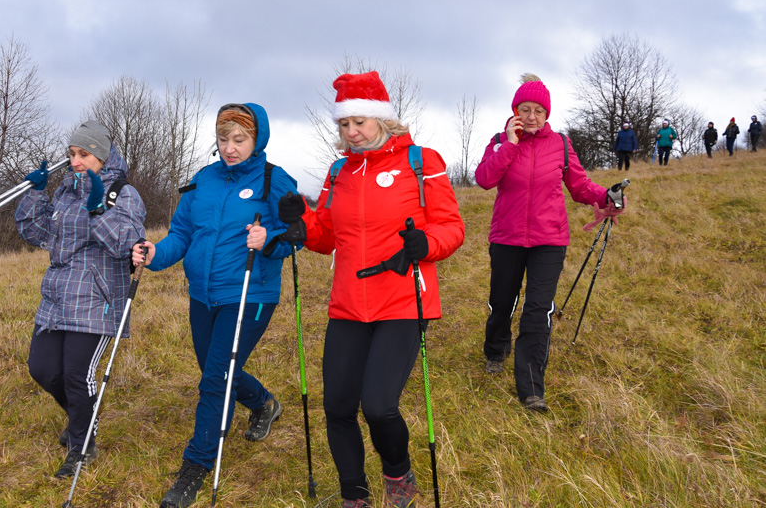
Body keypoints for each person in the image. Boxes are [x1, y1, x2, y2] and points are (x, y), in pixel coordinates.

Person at [277, 71, 464, 508]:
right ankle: (353, 495)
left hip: (401, 299)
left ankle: (398, 473)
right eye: (344, 124)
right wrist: (300, 222)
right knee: (338, 408)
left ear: (383, 119)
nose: (351, 132)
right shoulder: (339, 169)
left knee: (378, 405)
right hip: (347, 306)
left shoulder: (422, 161)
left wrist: (427, 244)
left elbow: (452, 227)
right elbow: (326, 237)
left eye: (359, 122)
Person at [131, 103, 298, 508]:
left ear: (257, 139)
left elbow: (297, 234)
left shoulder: (276, 180)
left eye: (239, 139)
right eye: (223, 139)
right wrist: (156, 253)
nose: (230, 147)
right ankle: (264, 404)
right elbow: (182, 234)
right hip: (202, 294)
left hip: (249, 294)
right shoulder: (202, 180)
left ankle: (196, 466)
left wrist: (270, 240)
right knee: (216, 369)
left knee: (214, 380)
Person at [475, 74, 626, 412]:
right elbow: (485, 179)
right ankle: (495, 349)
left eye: (538, 111)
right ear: (515, 111)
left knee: (537, 310)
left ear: (547, 114)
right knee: (502, 302)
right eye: (525, 109)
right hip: (507, 237)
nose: (531, 116)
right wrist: (511, 144)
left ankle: (531, 388)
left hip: (548, 238)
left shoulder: (559, 143)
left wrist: (606, 195)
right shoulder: (500, 141)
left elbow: (579, 185)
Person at [16, 120, 146, 478]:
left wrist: (97, 209)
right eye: (72, 154)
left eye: (84, 154)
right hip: (57, 298)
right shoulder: (64, 192)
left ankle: (82, 445)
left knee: (77, 375)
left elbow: (126, 244)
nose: (75, 161)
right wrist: (35, 194)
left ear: (102, 158)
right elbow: (36, 233)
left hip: (98, 300)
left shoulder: (123, 193)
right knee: (42, 369)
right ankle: (81, 421)